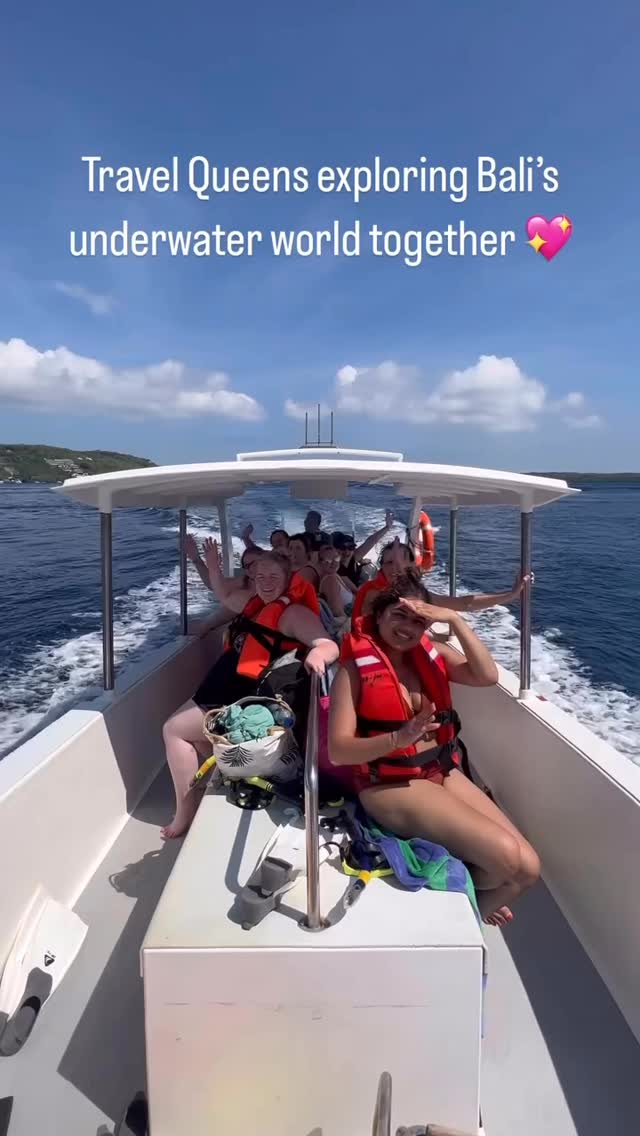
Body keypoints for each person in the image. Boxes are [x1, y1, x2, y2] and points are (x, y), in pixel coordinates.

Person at [328, 572, 540, 925]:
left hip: (438, 771)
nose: (408, 628)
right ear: (379, 615)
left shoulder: (431, 654)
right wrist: (398, 738)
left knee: (529, 869)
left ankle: (466, 913)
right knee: (507, 860)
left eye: (418, 621)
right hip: (389, 786)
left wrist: (455, 619)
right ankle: (452, 931)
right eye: (398, 615)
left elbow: (487, 675)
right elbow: (339, 750)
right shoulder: (352, 671)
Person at [161, 546, 338, 839]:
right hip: (222, 689)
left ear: (287, 578)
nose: (266, 581)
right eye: (260, 575)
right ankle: (213, 783)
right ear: (253, 578)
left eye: (274, 575)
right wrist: (211, 566)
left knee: (173, 731)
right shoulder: (253, 602)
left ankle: (184, 815)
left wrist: (318, 654)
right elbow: (223, 595)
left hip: (243, 699)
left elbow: (327, 643)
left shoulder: (293, 613)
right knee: (187, 735)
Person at [351, 538, 532, 626]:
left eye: (398, 562)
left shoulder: (415, 592)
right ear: (381, 567)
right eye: (389, 563)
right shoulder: (372, 592)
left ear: (411, 566)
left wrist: (510, 595)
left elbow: (464, 603)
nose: (393, 568)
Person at [333, 510, 396, 587]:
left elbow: (371, 541)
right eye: (343, 548)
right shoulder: (335, 567)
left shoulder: (354, 557)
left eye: (351, 547)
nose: (347, 551)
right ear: (336, 549)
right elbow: (354, 591)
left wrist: (387, 527)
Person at [317, 543, 358, 637]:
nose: (333, 562)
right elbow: (337, 612)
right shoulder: (329, 580)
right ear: (320, 562)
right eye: (328, 560)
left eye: (336, 558)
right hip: (349, 625)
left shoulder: (335, 576)